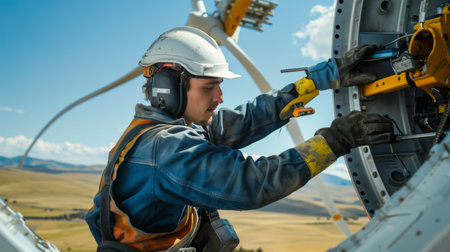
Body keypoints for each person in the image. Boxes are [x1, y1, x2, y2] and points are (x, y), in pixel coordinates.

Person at [85, 26, 393, 252]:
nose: (220, 97)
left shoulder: (166, 130)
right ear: (169, 86)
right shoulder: (165, 148)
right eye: (209, 87)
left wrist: (316, 80)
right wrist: (335, 140)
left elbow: (246, 121)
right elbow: (250, 183)